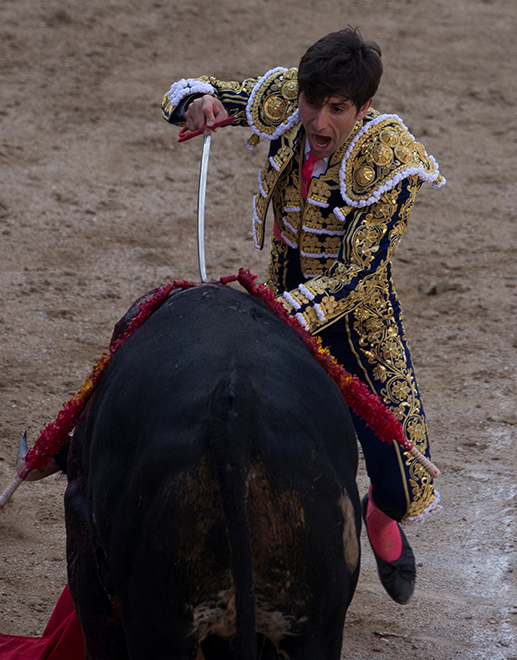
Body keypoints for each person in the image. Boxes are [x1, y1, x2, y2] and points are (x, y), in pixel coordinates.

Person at [162, 27, 445, 605]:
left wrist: (280, 311)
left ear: (363, 107)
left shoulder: (390, 160)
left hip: (356, 329)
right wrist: (197, 104)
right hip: (278, 305)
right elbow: (189, 90)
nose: (318, 121)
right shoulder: (288, 101)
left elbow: (359, 276)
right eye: (313, 104)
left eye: (337, 109)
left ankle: (380, 521)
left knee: (405, 485)